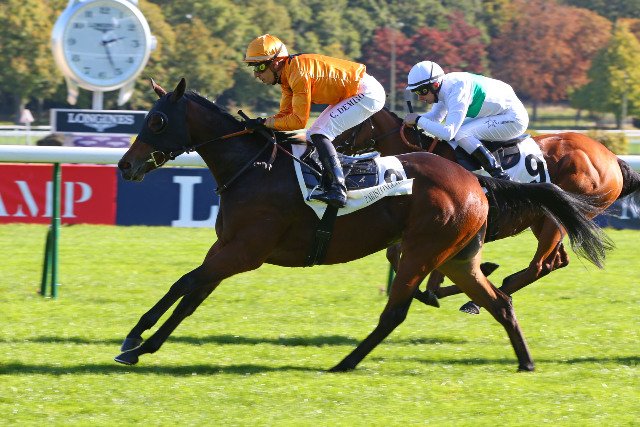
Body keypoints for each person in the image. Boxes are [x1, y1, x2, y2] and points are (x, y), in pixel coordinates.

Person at [243, 34, 386, 208]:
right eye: (253, 68)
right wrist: (262, 122)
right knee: (313, 134)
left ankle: (338, 189)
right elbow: (285, 114)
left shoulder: (298, 73)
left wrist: (264, 123)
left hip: (367, 93)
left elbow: (298, 121)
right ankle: (328, 182)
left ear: (277, 62)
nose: (256, 74)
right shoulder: (287, 76)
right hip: (355, 92)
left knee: (319, 133)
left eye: (260, 67)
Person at [403, 61, 530, 180]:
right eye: (415, 92)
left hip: (513, 119)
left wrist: (418, 119)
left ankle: (500, 177)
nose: (420, 98)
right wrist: (409, 121)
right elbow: (435, 118)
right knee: (459, 132)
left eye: (422, 91)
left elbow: (448, 133)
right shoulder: (442, 87)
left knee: (461, 133)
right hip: (496, 113)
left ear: (435, 85)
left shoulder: (457, 91)